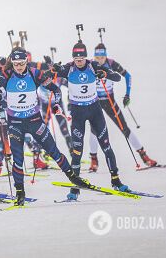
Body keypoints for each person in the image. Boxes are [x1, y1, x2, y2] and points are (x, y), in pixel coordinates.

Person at [0, 47, 93, 206]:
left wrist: (57, 104)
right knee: (18, 160)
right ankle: (20, 193)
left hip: (34, 121)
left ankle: (74, 178)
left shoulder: (35, 73)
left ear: (26, 62)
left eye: (22, 63)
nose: (19, 67)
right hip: (15, 124)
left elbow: (55, 89)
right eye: (16, 64)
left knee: (54, 152)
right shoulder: (6, 75)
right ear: (12, 63)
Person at [52, 41, 129, 201]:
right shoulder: (68, 67)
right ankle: (75, 188)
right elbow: (50, 77)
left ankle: (116, 180)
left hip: (94, 110)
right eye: (76, 58)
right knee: (77, 152)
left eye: (81, 58)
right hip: (78, 112)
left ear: (85, 57)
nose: (79, 61)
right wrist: (55, 70)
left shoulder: (94, 65)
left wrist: (105, 74)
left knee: (106, 146)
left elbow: (118, 77)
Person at [92, 43, 157, 169]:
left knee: (124, 127)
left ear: (105, 56)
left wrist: (127, 95)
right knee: (94, 130)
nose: (99, 60)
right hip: (95, 101)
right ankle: (93, 160)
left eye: (102, 57)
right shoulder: (90, 64)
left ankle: (144, 155)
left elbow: (127, 76)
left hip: (109, 100)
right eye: (97, 58)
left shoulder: (111, 63)